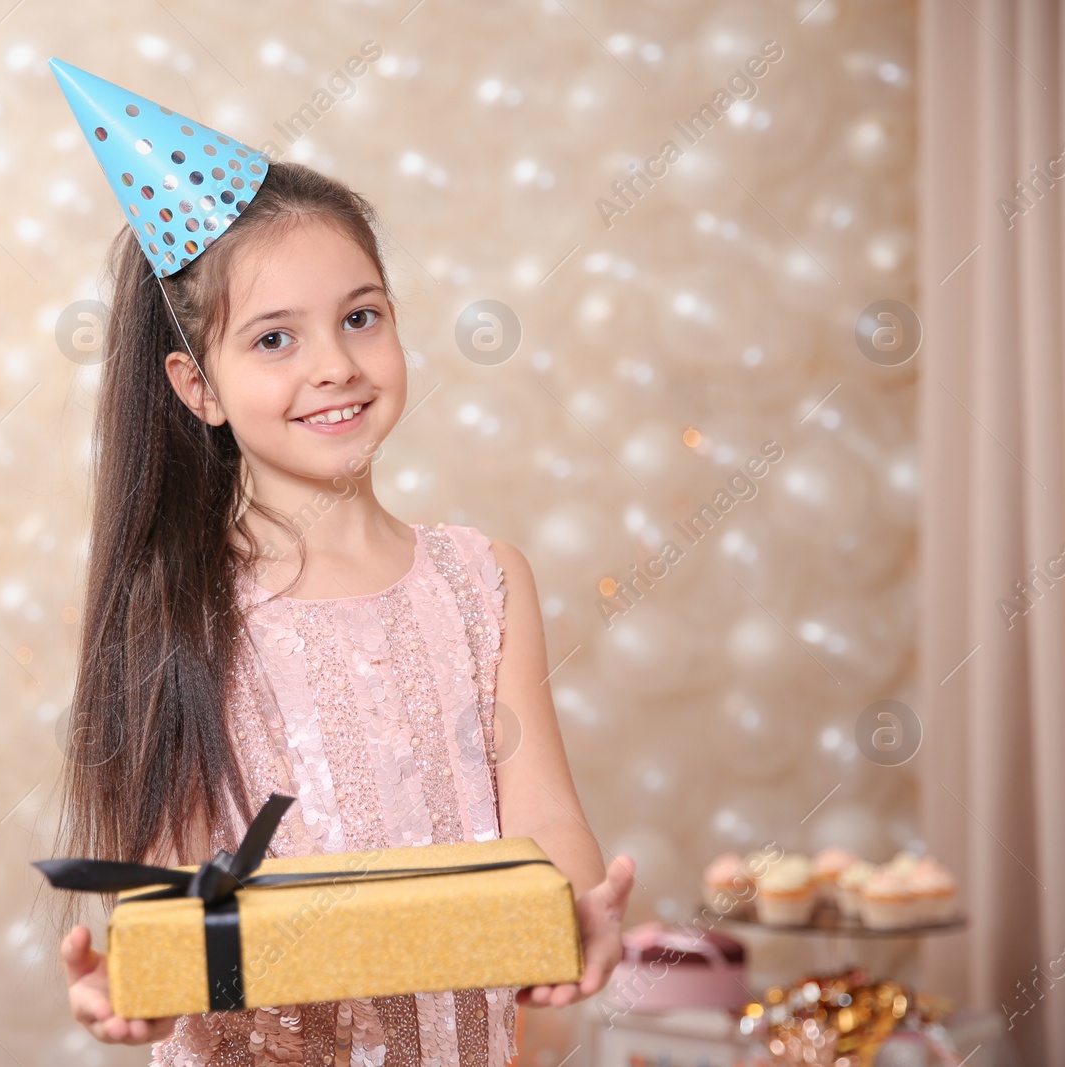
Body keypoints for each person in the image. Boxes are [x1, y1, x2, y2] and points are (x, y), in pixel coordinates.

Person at [47, 59, 634, 1066]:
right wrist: (136, 979)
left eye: (360, 316)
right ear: (200, 387)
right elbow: (166, 892)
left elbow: (543, 817)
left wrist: (577, 912)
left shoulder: (479, 580)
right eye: (275, 338)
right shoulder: (181, 607)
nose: (334, 365)